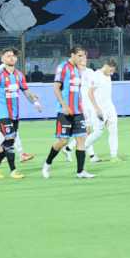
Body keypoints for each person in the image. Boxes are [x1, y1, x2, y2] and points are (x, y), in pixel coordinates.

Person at [0, 47, 43, 179]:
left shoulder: (19, 75)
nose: (11, 58)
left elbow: (26, 91)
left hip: (15, 114)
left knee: (9, 141)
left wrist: (35, 103)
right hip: (3, 113)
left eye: (13, 56)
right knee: (9, 139)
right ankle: (13, 170)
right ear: (2, 59)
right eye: (8, 56)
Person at [43, 46, 94, 179]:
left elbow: (79, 93)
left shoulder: (79, 70)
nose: (82, 58)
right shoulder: (63, 67)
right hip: (65, 111)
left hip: (78, 111)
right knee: (63, 141)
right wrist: (64, 105)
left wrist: (84, 113)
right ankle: (47, 163)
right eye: (79, 55)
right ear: (72, 55)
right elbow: (56, 88)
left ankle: (80, 171)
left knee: (81, 140)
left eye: (84, 55)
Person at [82, 59, 119, 160]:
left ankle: (114, 155)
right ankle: (81, 147)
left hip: (110, 107)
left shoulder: (108, 75)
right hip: (99, 108)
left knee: (113, 130)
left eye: (113, 71)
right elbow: (90, 93)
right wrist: (97, 109)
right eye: (111, 70)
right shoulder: (96, 75)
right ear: (106, 65)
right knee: (98, 132)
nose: (112, 73)